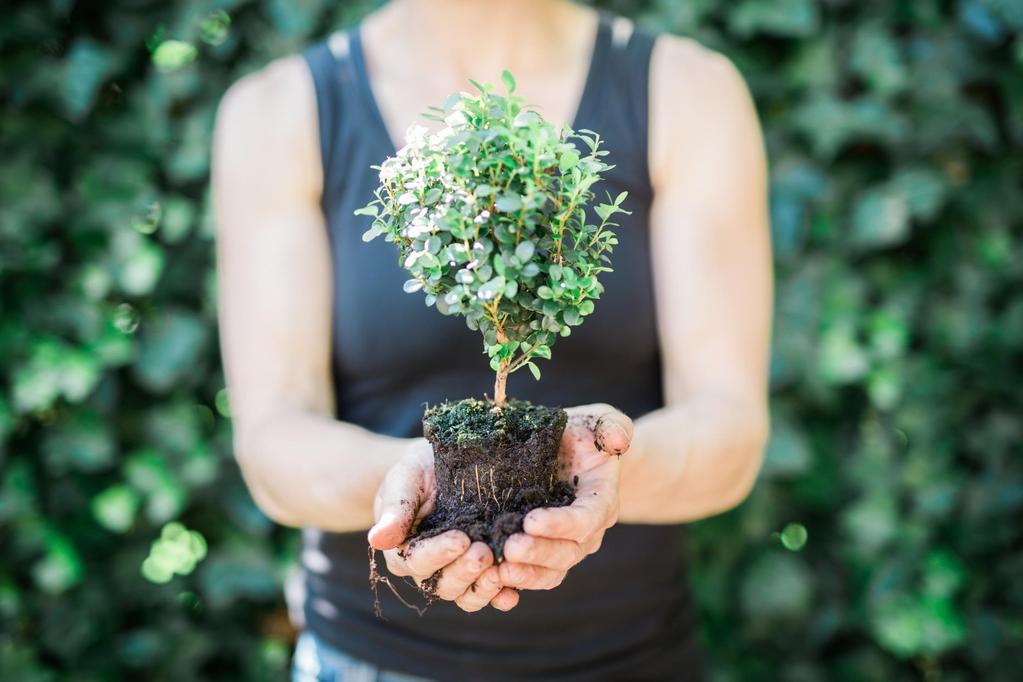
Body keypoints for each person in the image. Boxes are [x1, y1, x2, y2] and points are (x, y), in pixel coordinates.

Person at [212, 0, 771, 679]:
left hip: (629, 656)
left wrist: (595, 472)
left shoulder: (687, 90)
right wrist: (422, 484)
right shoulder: (278, 111)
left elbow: (729, 430)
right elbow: (273, 439)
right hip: (368, 658)